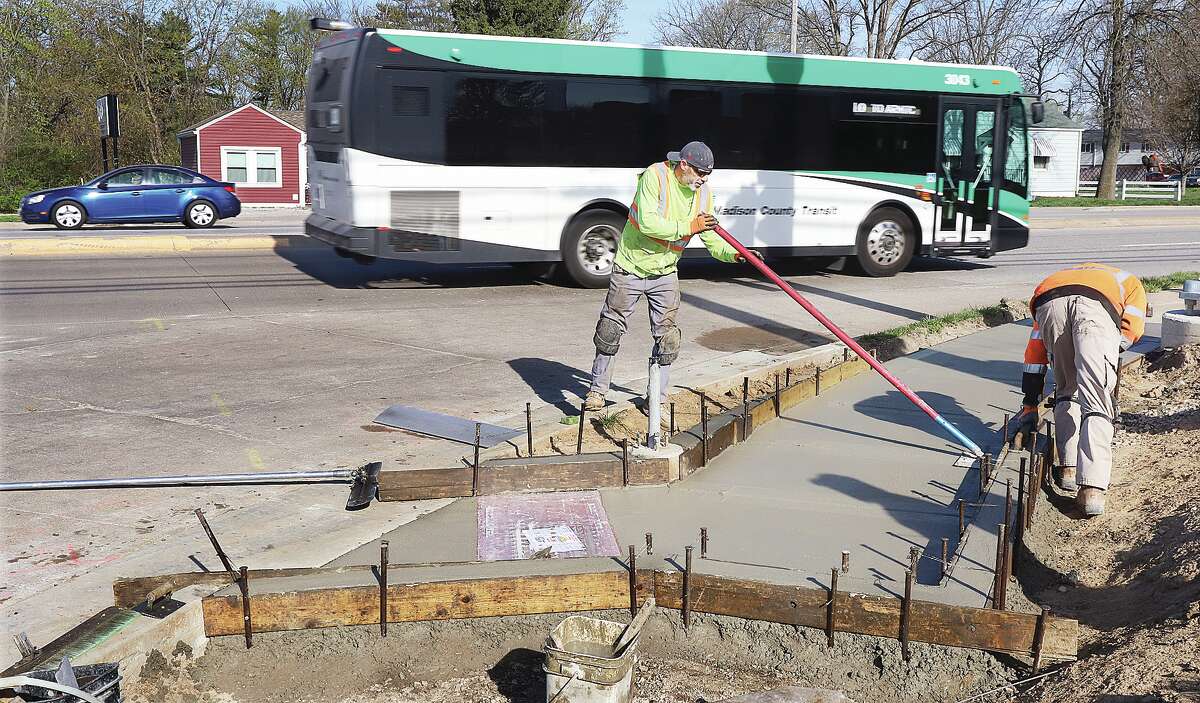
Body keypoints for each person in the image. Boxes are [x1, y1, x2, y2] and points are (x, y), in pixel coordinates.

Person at [582, 141, 752, 415]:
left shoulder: (703, 194)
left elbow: (710, 236)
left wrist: (735, 254)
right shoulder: (655, 176)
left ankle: (656, 399)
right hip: (631, 266)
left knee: (668, 338)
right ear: (684, 164)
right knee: (610, 330)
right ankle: (597, 392)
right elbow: (648, 223)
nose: (703, 180)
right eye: (700, 173)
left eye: (707, 175)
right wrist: (689, 226)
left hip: (665, 272)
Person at [1018, 263, 1146, 517]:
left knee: (1066, 388)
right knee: (1097, 400)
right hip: (1095, 310)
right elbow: (1132, 328)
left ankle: (1068, 469)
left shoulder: (1057, 279)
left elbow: (1035, 354)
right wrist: (1103, 358)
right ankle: (1092, 489)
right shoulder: (1129, 281)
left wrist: (1030, 405)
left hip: (1048, 303)